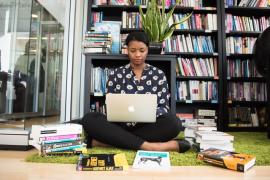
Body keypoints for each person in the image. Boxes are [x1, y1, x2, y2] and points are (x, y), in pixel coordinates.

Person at [81, 31, 191, 153]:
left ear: (147, 49)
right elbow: (110, 107)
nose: (137, 54)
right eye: (133, 50)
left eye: (142, 50)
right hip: (120, 126)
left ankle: (107, 142)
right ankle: (152, 146)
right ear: (126, 50)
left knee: (174, 123)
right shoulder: (116, 74)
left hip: (148, 126)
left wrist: (146, 114)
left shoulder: (158, 74)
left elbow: (164, 107)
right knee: (89, 119)